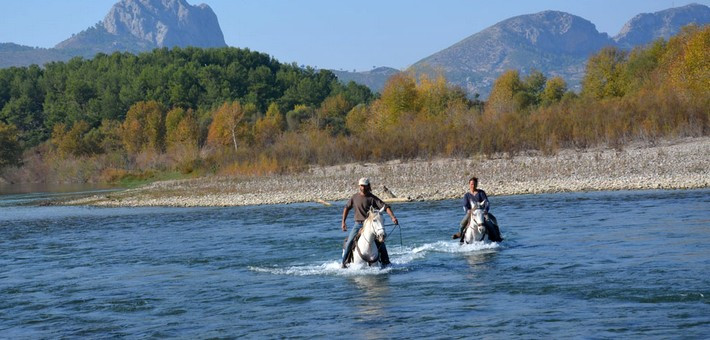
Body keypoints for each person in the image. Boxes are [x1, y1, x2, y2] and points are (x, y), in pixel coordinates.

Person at [341, 177, 398, 268]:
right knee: (349, 242)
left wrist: (393, 217)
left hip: (370, 225)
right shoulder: (354, 197)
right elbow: (346, 208)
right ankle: (344, 263)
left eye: (365, 186)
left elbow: (385, 207)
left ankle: (386, 262)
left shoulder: (372, 198)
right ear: (359, 186)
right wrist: (343, 222)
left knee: (381, 243)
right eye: (361, 186)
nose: (363, 188)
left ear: (368, 186)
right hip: (358, 224)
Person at [453, 176, 502, 242]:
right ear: (469, 184)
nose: (473, 185)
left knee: (490, 223)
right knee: (462, 224)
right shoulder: (467, 195)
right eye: (472, 184)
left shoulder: (481, 193)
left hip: (482, 212)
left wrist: (486, 210)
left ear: (476, 184)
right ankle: (460, 235)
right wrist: (468, 210)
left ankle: (496, 237)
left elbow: (487, 202)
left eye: (475, 184)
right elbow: (465, 206)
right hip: (472, 213)